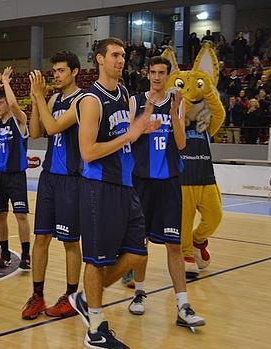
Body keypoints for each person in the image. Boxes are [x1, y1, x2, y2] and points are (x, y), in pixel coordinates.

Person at [67, 37, 160, 348]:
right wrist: (130, 134)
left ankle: (84, 296)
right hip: (98, 187)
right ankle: (95, 328)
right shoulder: (91, 100)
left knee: (138, 251)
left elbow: (123, 135)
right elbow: (88, 152)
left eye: (124, 55)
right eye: (116, 55)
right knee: (95, 260)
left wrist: (138, 132)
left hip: (124, 185)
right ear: (100, 59)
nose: (122, 60)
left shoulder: (122, 94)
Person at [124, 56, 205, 329]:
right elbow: (128, 139)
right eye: (153, 72)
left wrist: (173, 115)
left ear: (168, 76)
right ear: (147, 74)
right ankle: (139, 293)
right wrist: (143, 127)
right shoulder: (135, 102)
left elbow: (181, 144)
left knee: (174, 245)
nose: (157, 77)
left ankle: (183, 304)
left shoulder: (178, 102)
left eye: (162, 73)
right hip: (142, 182)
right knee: (141, 242)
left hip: (169, 181)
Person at [21, 51, 84, 320]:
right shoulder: (54, 98)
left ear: (75, 72)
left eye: (61, 70)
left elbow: (55, 127)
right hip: (49, 177)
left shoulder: (82, 100)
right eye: (54, 71)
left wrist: (38, 97)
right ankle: (38, 295)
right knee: (41, 238)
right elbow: (36, 132)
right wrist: (39, 100)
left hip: (72, 178)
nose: (55, 75)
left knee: (70, 242)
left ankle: (70, 297)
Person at [0, 66, 31, 271]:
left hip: (16, 175)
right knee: (0, 215)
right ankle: (4, 252)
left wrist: (6, 82)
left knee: (21, 215)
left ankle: (26, 254)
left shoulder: (18, 120)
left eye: (1, 101)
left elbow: (14, 104)